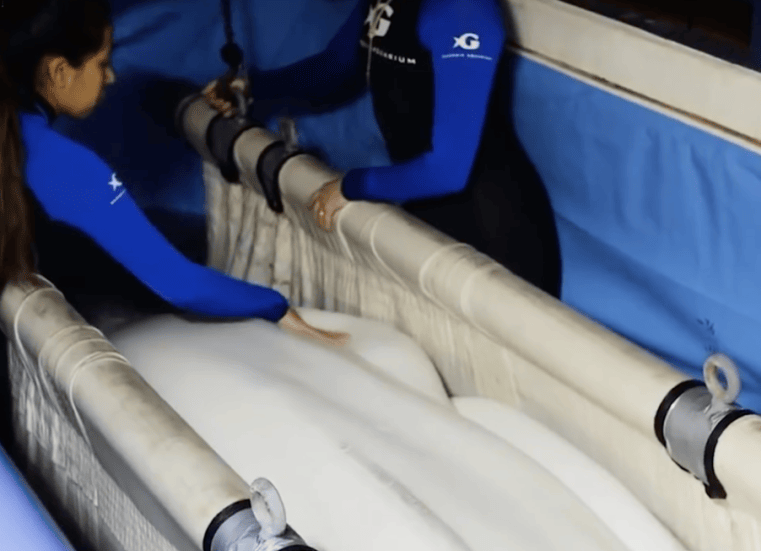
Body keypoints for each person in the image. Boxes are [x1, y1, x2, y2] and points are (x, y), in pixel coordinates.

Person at [0, 0, 346, 346]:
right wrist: (276, 306)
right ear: (60, 72)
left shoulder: (22, 141)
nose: (111, 76)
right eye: (102, 63)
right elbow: (181, 284)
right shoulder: (64, 164)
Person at [204, 0, 563, 298]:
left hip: (497, 232)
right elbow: (333, 68)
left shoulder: (463, 11)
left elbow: (448, 169)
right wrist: (252, 87)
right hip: (428, 210)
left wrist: (352, 186)